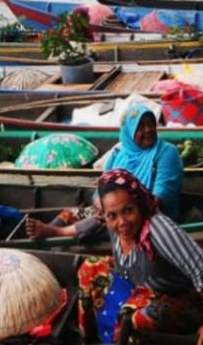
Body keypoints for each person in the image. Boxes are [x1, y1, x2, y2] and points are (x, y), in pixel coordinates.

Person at [77, 169, 203, 345]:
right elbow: (85, 225)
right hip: (138, 287)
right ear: (105, 215)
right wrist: (54, 230)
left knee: (132, 318)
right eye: (112, 216)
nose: (122, 222)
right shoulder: (113, 224)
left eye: (128, 210)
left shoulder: (157, 229)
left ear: (139, 204)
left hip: (180, 298)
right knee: (90, 266)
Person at [27, 98, 183, 240]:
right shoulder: (119, 152)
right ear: (128, 131)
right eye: (141, 126)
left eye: (151, 124)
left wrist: (115, 210)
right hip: (114, 208)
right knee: (68, 214)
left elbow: (160, 197)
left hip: (147, 215)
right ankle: (46, 239)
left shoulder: (166, 152)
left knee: (103, 220)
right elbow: (100, 188)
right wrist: (100, 204)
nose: (148, 129)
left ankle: (55, 233)